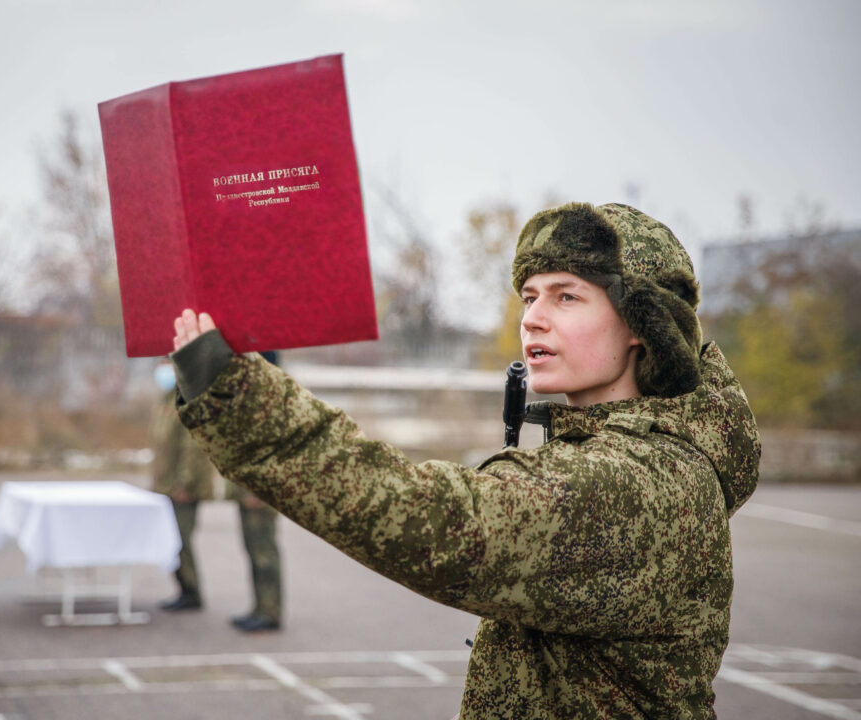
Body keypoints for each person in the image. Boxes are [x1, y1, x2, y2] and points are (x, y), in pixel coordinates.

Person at [166, 203, 760, 718]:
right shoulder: (622, 453)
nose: (532, 316)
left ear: (641, 323)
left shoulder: (642, 481)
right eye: (529, 295)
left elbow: (435, 521)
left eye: (567, 296)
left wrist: (238, 399)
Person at [151, 359, 283, 632]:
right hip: (244, 488)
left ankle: (269, 611)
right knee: (254, 550)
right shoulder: (243, 398)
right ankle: (261, 608)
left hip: (258, 492)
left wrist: (262, 488)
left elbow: (272, 451)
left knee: (263, 551)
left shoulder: (268, 400)